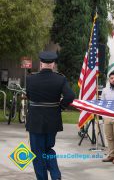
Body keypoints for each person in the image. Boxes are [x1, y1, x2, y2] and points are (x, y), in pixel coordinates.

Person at [26, 51, 75, 180]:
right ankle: (55, 175)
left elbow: (29, 96)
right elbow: (70, 96)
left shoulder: (30, 78)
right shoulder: (60, 79)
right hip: (52, 121)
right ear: (53, 64)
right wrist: (60, 107)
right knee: (48, 149)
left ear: (41, 64)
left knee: (37, 153)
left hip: (35, 121)